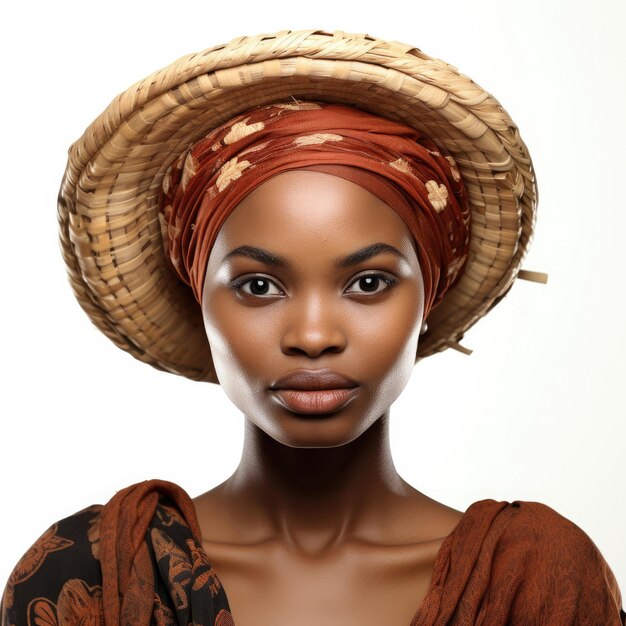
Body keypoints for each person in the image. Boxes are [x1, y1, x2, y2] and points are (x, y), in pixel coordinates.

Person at [1, 29, 624, 626]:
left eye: (369, 283)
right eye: (258, 286)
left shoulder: (535, 576)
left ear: (427, 297)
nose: (314, 334)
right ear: (200, 302)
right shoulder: (91, 577)